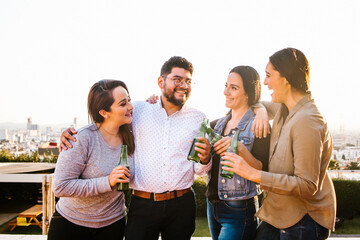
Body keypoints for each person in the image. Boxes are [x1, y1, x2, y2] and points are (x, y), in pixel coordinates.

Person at [60, 56, 212, 240]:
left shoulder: (199, 118)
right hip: (142, 205)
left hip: (182, 204)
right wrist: (70, 134)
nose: (184, 85)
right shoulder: (138, 110)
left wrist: (205, 159)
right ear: (161, 81)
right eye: (177, 79)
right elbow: (107, 125)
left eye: (188, 81)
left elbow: (200, 170)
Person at [221, 48, 336, 240]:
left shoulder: (307, 121)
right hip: (278, 216)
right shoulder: (285, 107)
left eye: (268, 75)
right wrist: (263, 113)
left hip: (303, 221)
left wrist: (252, 174)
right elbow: (257, 103)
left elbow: (307, 185)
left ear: (286, 78)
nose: (264, 82)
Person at [48, 80, 134, 240]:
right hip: (70, 226)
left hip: (113, 226)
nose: (130, 106)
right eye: (123, 103)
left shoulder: (133, 134)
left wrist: (153, 101)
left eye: (129, 100)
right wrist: (107, 182)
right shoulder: (82, 138)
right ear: (104, 112)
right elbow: (60, 187)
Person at [206, 66, 270, 240]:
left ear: (248, 93)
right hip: (212, 206)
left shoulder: (258, 126)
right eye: (226, 85)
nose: (226, 91)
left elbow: (262, 170)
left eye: (233, 88)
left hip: (239, 210)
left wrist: (241, 149)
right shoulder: (215, 125)